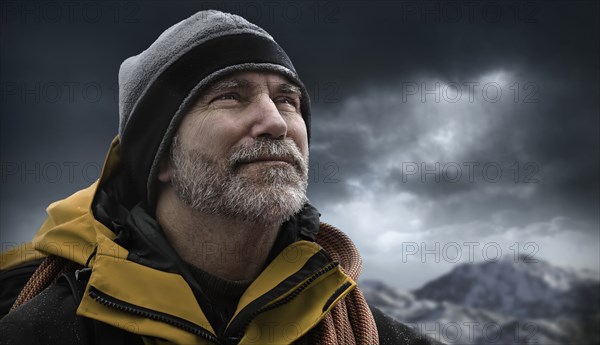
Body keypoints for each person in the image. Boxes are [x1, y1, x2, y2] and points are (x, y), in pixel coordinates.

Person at [0, 10, 437, 345]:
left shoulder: (376, 336)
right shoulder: (43, 332)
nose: (276, 122)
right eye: (230, 96)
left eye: (287, 100)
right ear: (159, 157)